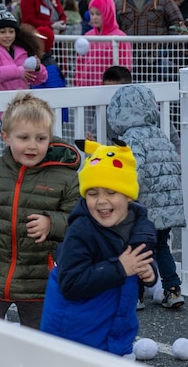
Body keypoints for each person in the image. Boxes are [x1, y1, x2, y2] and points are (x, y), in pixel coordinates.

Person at [0, 92, 82, 328]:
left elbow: (77, 219)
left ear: (50, 138)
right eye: (23, 137)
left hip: (39, 279)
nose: (32, 146)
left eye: (41, 138)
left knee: (38, 340)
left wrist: (51, 223)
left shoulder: (66, 178)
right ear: (6, 137)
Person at [40, 139, 157, 351]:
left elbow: (143, 257)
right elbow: (70, 283)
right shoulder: (81, 231)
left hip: (116, 329)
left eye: (111, 192)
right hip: (73, 336)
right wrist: (120, 268)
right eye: (92, 194)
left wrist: (150, 271)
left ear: (128, 196)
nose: (101, 201)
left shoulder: (140, 225)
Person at [106, 85, 186, 309]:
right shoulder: (160, 134)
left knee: (136, 249)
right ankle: (173, 290)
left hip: (144, 207)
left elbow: (135, 170)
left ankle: (136, 295)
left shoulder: (131, 138)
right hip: (166, 205)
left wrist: (126, 196)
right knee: (161, 247)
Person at [0, 9, 47, 122]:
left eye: (11, 31)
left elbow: (40, 79)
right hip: (0, 109)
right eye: (2, 32)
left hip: (21, 109)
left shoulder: (22, 50)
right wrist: (18, 72)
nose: (8, 36)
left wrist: (37, 68)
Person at [73, 0, 132, 88]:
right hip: (87, 87)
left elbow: (125, 65)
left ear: (108, 13)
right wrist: (78, 83)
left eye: (98, 14)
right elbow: (80, 63)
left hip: (109, 88)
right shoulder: (88, 36)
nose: (94, 17)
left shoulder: (120, 37)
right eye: (92, 14)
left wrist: (121, 87)